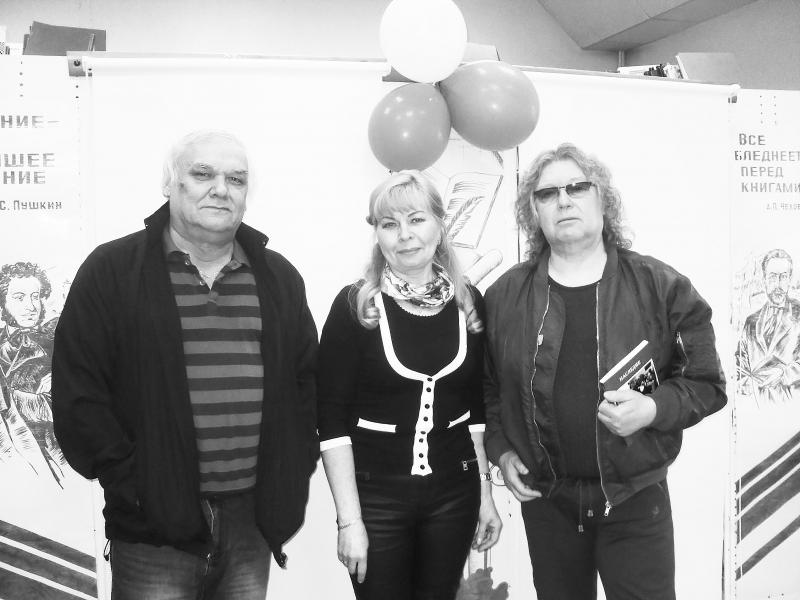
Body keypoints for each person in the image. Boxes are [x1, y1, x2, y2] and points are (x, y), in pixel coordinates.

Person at [52, 130, 318, 599]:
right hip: (151, 526)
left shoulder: (278, 277)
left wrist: (290, 471)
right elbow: (79, 393)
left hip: (251, 523)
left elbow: (306, 386)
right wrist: (135, 486)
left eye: (236, 179)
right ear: (169, 184)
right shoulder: (113, 271)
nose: (221, 189)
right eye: (203, 174)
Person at [483, 143, 727, 600]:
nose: (563, 201)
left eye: (577, 187)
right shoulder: (504, 296)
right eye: (547, 193)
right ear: (534, 212)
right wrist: (501, 450)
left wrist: (653, 408)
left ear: (603, 199)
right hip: (548, 502)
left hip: (635, 498)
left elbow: (707, 384)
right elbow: (489, 388)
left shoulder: (661, 286)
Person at [317, 170, 502, 600]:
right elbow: (331, 422)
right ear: (377, 234)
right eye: (389, 224)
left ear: (440, 225)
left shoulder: (469, 302)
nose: (405, 235)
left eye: (416, 219)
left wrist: (484, 495)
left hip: (454, 496)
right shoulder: (355, 307)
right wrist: (349, 521)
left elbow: (474, 412)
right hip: (376, 500)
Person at [0, 261, 66, 485]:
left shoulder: (56, 340)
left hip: (49, 459)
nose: (31, 306)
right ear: (3, 301)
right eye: (19, 298)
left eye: (35, 296)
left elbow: (64, 407)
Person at [736, 248, 800, 404]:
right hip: (754, 406)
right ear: (764, 280)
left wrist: (783, 373)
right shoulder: (751, 322)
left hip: (791, 406)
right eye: (772, 277)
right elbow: (739, 363)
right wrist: (742, 382)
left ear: (789, 279)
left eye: (783, 277)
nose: (778, 285)